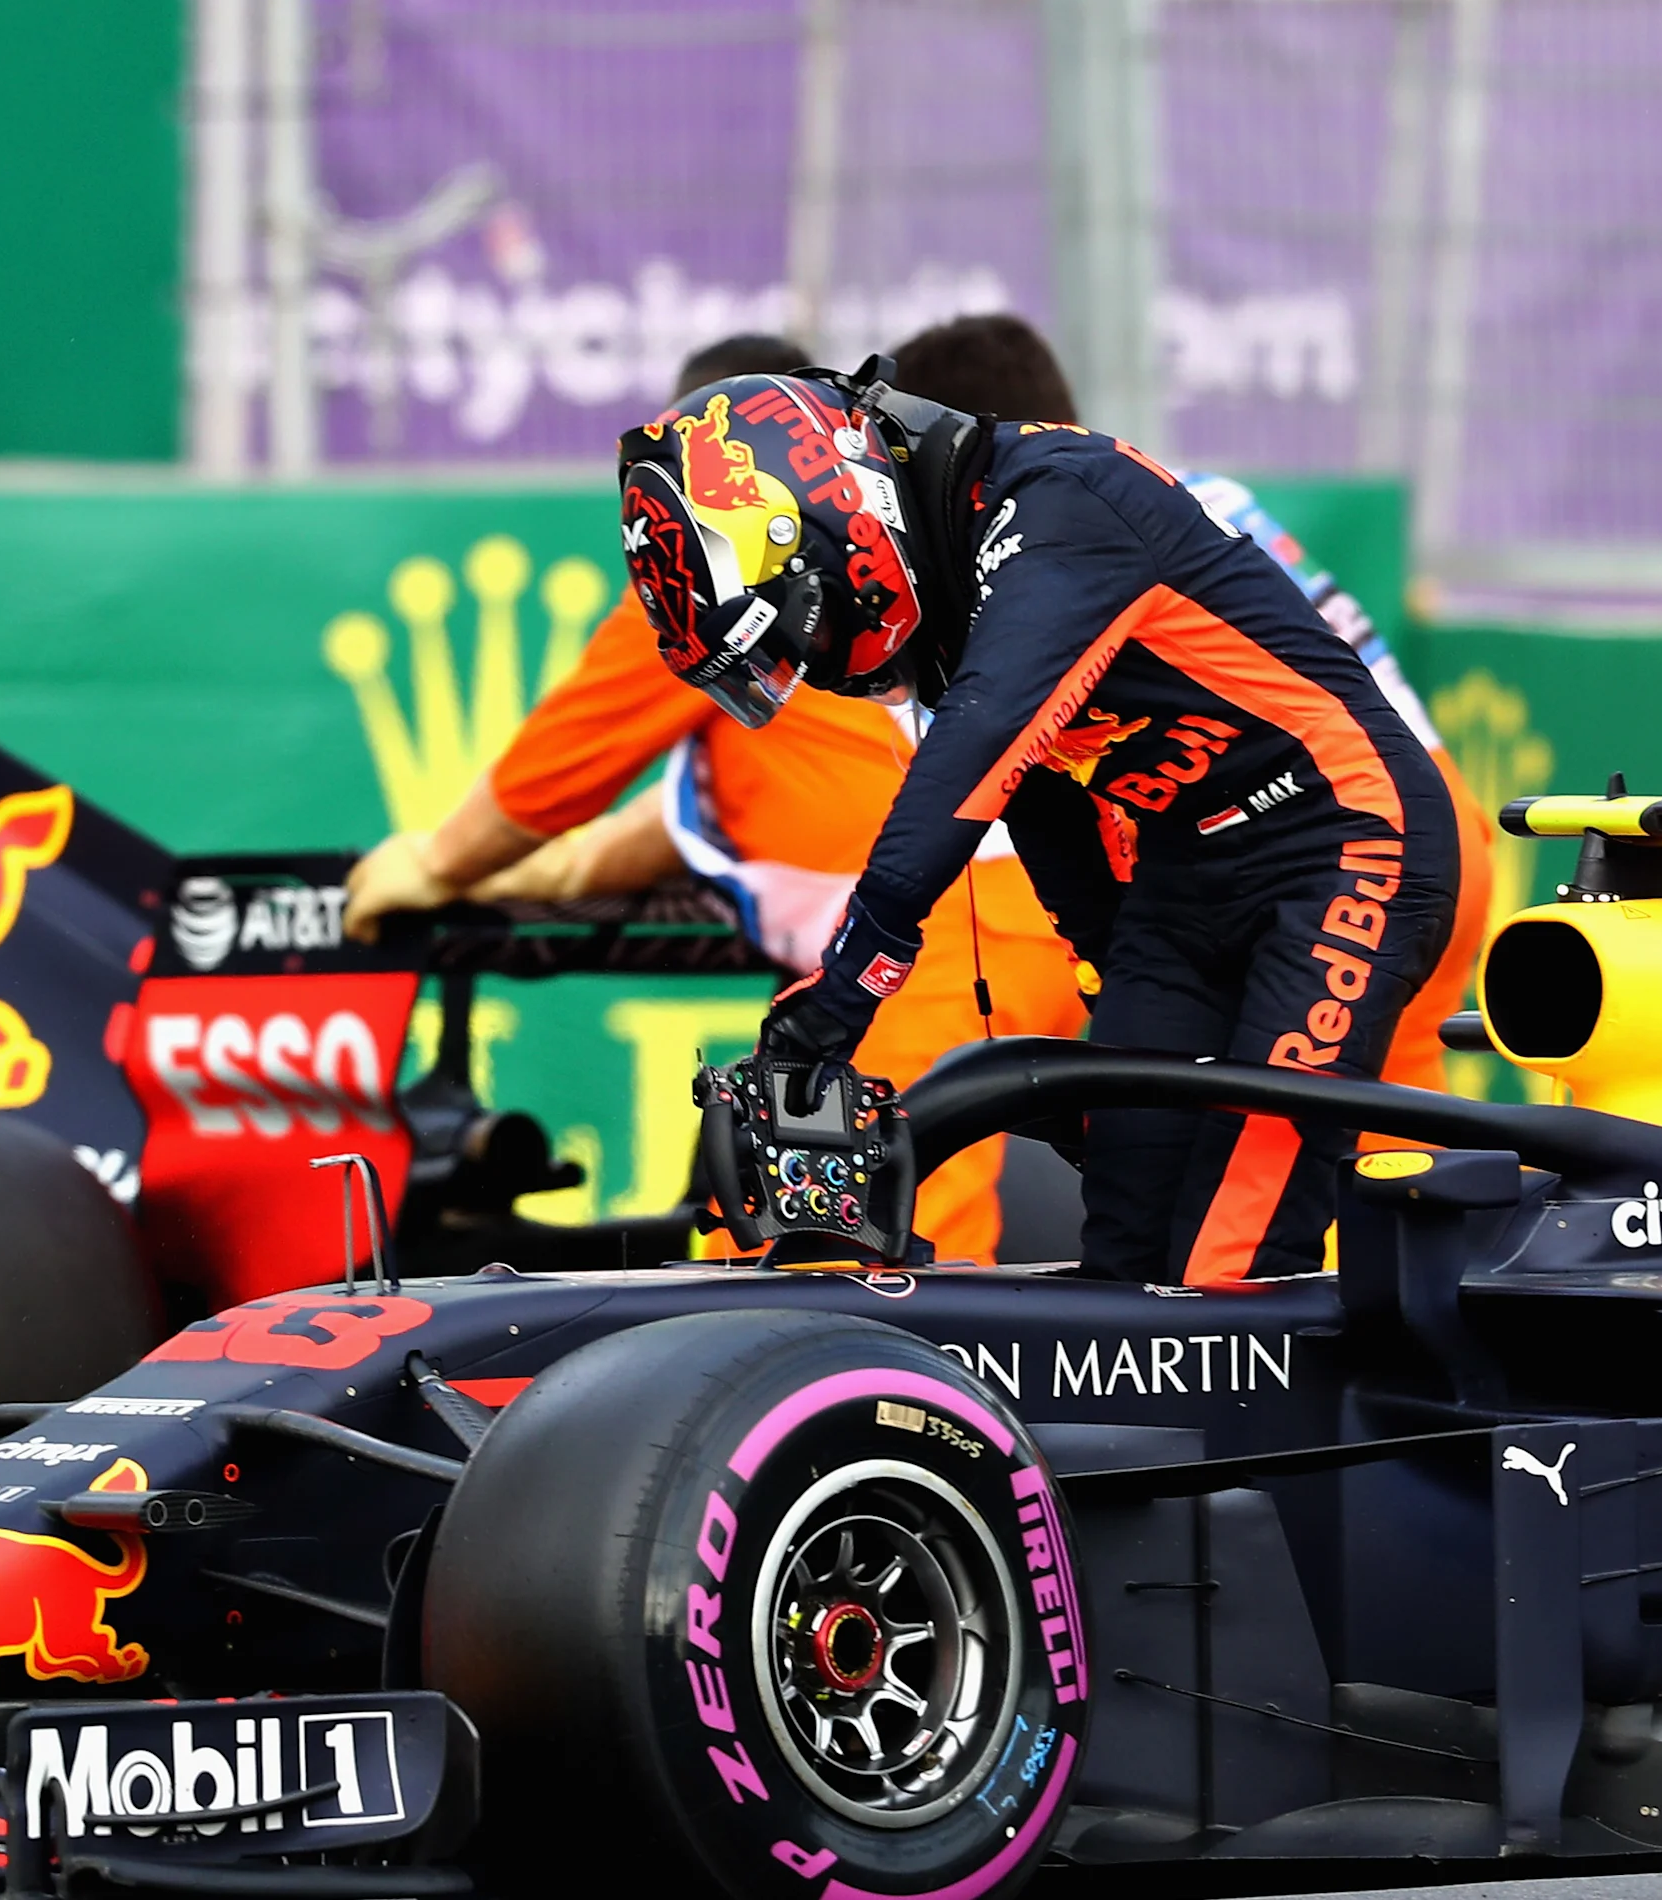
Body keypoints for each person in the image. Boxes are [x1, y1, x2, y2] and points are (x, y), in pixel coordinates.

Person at [619, 360, 1460, 1286]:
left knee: (1235, 1243)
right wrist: (1108, 982)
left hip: (1348, 839)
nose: (818, 664)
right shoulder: (953, 594)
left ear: (836, 517)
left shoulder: (1061, 504)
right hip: (1185, 882)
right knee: (1127, 1236)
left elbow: (985, 741)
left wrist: (850, 984)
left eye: (806, 632)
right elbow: (1049, 802)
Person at [343, 334, 1087, 1264]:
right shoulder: (835, 555)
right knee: (831, 1233)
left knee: (848, 1268)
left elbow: (559, 770)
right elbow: (713, 809)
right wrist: (563, 866)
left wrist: (436, 863)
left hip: (935, 937)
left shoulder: (711, 562)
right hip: (1017, 917)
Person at [887, 312, 1496, 1099]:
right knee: (1389, 1157)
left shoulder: (1030, 566)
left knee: (1258, 1145)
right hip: (1435, 819)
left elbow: (994, 771)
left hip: (1307, 843)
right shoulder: (1194, 496)